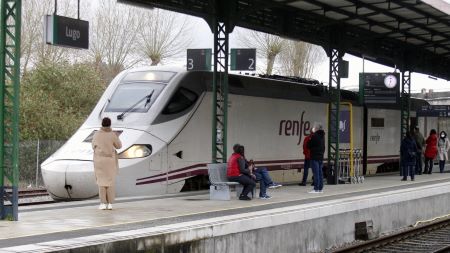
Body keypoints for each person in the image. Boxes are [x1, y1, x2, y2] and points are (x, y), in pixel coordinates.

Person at [92, 117, 122, 210]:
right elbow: (119, 146)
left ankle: (102, 203)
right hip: (110, 161)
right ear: (110, 124)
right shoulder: (112, 134)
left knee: (101, 182)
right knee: (110, 182)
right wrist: (116, 137)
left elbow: (93, 146)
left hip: (99, 161)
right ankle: (110, 204)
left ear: (102, 124)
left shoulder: (96, 134)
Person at [307, 123, 325, 193]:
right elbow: (323, 147)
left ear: (316, 128)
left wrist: (311, 136)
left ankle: (316, 189)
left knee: (316, 173)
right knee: (320, 173)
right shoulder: (322, 136)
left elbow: (308, 145)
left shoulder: (314, 136)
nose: (313, 128)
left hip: (314, 157)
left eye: (314, 127)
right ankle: (320, 188)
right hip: (320, 157)